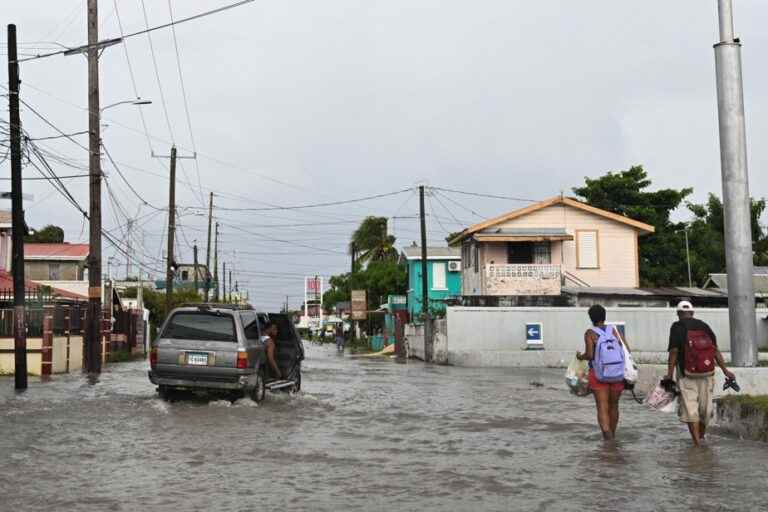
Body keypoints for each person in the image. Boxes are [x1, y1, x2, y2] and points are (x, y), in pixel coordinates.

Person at [665, 301, 734, 447]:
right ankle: (701, 440)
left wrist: (669, 375)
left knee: (691, 410)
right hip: (707, 374)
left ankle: (697, 445)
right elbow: (715, 350)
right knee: (706, 411)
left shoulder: (677, 327)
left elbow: (674, 352)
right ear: (692, 312)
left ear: (678, 314)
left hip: (686, 376)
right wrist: (726, 371)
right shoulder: (704, 326)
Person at [576, 304, 629, 440]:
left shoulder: (590, 333)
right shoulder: (615, 331)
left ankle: (607, 438)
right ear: (604, 316)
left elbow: (590, 354)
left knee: (602, 406)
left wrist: (580, 356)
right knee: (614, 405)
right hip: (617, 374)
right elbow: (627, 349)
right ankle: (613, 435)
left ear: (591, 318)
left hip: (599, 375)